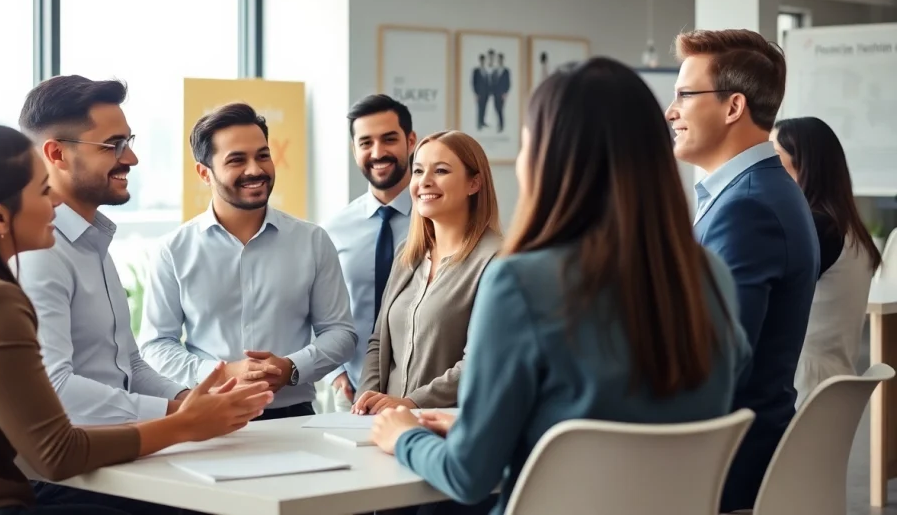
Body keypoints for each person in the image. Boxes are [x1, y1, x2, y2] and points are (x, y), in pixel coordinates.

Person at [367, 58, 750, 515]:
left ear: (547, 162)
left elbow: (468, 476)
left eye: (528, 144)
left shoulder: (520, 282)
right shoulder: (710, 275)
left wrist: (404, 436)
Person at [0, 108, 272, 515]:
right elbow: (56, 452)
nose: (54, 204)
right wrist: (185, 423)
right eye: (44, 191)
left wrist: (187, 410)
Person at [668, 29, 818, 512]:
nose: (672, 111)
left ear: (733, 107)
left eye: (685, 96)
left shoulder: (747, 207)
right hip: (740, 447)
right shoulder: (760, 190)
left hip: (722, 464)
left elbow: (714, 364)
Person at [138, 102, 356, 420]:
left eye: (263, 155)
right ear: (204, 172)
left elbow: (340, 332)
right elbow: (156, 345)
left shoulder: (312, 240)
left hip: (295, 418)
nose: (255, 169)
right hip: (209, 415)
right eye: (237, 160)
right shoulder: (174, 250)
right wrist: (220, 374)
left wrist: (292, 367)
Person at [17, 76, 190, 428]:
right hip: (76, 468)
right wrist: (180, 416)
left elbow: (129, 366)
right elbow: (55, 389)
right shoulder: (40, 253)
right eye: (113, 145)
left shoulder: (93, 241)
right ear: (57, 154)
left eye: (129, 142)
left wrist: (188, 398)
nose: (132, 157)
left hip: (118, 451)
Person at [353, 130, 502, 415]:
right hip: (387, 427)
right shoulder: (407, 255)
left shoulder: (496, 260)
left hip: (448, 427)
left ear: (474, 183)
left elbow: (482, 360)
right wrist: (365, 404)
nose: (424, 182)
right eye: (418, 170)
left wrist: (411, 404)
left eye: (441, 170)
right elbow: (378, 343)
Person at [771, 117, 881, 406]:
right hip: (829, 385)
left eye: (773, 159)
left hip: (799, 390)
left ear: (804, 166)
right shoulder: (848, 230)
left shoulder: (817, 230)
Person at [323, 94, 417, 411]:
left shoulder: (437, 221)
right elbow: (317, 307)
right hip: (351, 391)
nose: (378, 153)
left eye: (389, 139)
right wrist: (336, 373)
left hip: (420, 390)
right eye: (365, 143)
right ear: (354, 150)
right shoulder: (333, 229)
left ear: (411, 141)